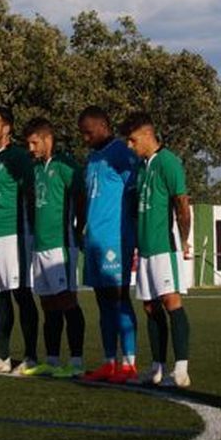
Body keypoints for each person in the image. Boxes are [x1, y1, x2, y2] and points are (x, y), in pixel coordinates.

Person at [125, 113, 193, 389]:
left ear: (146, 135)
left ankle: (181, 369)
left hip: (165, 246)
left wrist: (184, 239)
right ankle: (156, 368)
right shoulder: (142, 167)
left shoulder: (169, 162)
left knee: (171, 301)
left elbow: (181, 204)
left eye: (132, 140)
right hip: (145, 249)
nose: (130, 146)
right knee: (150, 305)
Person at [77, 107, 141, 384]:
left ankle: (129, 363)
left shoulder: (122, 153)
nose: (85, 138)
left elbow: (135, 193)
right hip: (94, 240)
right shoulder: (92, 158)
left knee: (119, 297)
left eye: (88, 132)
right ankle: (108, 361)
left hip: (116, 239)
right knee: (103, 302)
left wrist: (135, 235)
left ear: (103, 125)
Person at [23, 117, 86, 378]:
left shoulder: (66, 166)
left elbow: (81, 197)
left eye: (34, 142)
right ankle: (51, 359)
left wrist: (78, 229)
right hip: (40, 246)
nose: (30, 148)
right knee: (47, 303)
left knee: (67, 300)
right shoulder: (36, 170)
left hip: (61, 245)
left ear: (47, 139)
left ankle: (76, 361)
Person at [0, 106, 40, 373]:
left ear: (6, 128)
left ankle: (30, 356)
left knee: (21, 293)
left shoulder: (18, 156)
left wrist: (30, 229)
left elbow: (30, 192)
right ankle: (1, 356)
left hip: (15, 233)